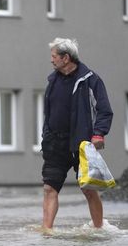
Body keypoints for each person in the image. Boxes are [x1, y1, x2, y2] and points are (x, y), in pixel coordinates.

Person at [41, 37, 113, 229]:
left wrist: (99, 134)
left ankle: (98, 229)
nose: (51, 60)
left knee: (88, 189)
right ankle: (46, 231)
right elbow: (48, 112)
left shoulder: (91, 80)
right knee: (49, 188)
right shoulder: (52, 80)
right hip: (55, 144)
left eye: (54, 56)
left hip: (82, 145)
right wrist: (46, 137)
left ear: (66, 58)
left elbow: (104, 110)